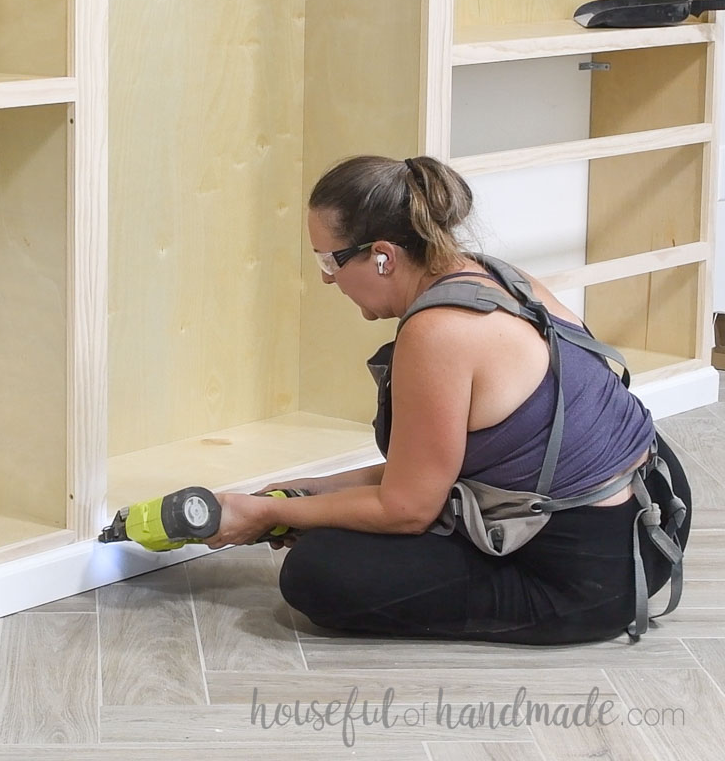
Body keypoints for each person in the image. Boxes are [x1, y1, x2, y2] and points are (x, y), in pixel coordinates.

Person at [207, 154, 692, 644]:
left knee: (318, 572)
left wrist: (270, 513)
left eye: (329, 259)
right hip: (657, 511)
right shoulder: (496, 277)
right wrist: (307, 491)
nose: (326, 278)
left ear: (382, 256)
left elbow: (407, 508)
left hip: (590, 577)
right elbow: (438, 466)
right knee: (334, 519)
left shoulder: (437, 332)